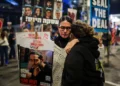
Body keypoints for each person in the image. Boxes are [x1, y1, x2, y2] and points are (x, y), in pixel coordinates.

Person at [62, 20, 105, 86]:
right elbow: (99, 71)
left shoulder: (76, 52)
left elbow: (72, 80)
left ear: (72, 35)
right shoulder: (92, 48)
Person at [52, 16, 79, 86]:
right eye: (62, 27)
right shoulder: (51, 45)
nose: (65, 31)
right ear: (58, 28)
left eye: (68, 28)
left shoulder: (76, 45)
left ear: (71, 29)